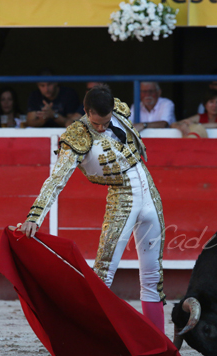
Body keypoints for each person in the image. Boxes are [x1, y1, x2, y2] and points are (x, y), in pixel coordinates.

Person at [19, 84, 168, 335]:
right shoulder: (77, 135)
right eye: (96, 123)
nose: (101, 127)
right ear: (86, 112)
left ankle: (160, 347)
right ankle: (95, 341)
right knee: (102, 276)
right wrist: (35, 215)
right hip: (122, 200)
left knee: (153, 277)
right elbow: (57, 179)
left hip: (151, 194)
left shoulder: (118, 111)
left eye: (106, 122)